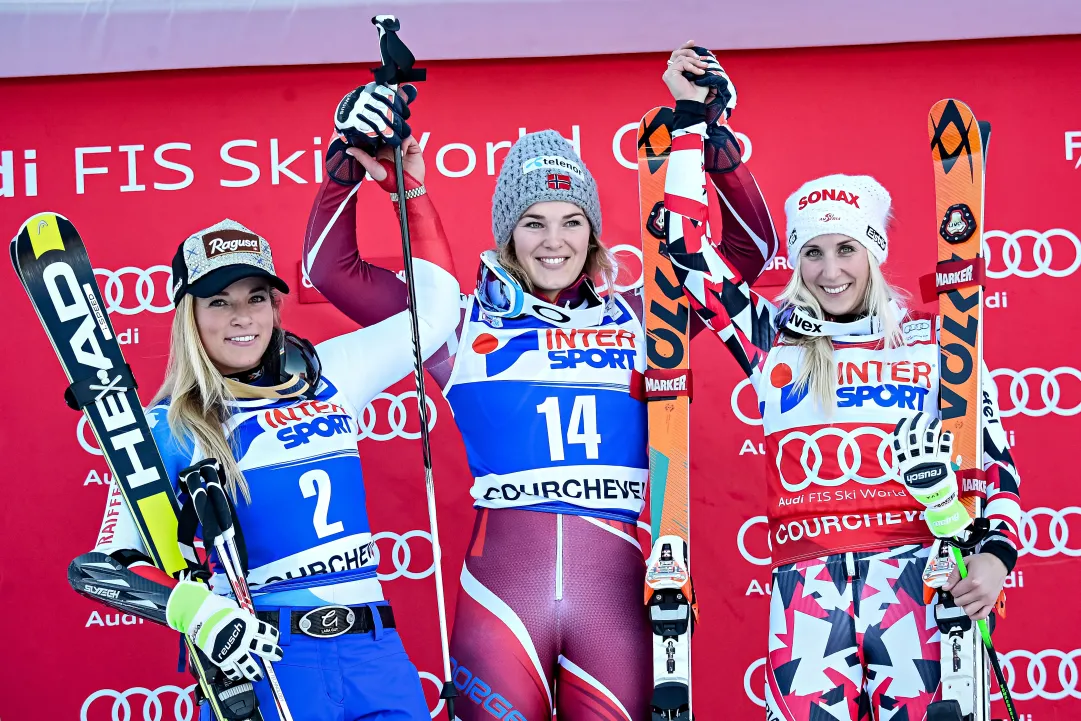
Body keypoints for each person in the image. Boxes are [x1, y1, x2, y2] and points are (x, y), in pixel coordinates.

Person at [305, 43, 779, 720]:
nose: (552, 241)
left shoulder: (648, 319)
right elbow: (332, 271)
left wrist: (712, 137)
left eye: (570, 221)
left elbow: (746, 254)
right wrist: (349, 157)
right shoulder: (458, 325)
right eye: (532, 223)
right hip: (503, 599)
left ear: (591, 234)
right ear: (506, 234)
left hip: (616, 598)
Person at [659, 49, 1023, 720]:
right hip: (806, 591)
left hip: (917, 582)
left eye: (845, 248)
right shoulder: (775, 341)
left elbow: (994, 467)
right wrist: (689, 121)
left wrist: (995, 557)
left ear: (872, 251)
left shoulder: (934, 342)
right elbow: (683, 252)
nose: (829, 270)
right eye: (812, 252)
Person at [72, 218, 460, 721]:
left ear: (275, 305)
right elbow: (102, 568)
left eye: (256, 297)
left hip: (375, 654)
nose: (242, 317)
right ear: (187, 314)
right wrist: (201, 614)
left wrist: (401, 187)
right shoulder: (164, 428)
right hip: (266, 663)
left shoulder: (329, 372)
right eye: (218, 301)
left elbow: (435, 313)